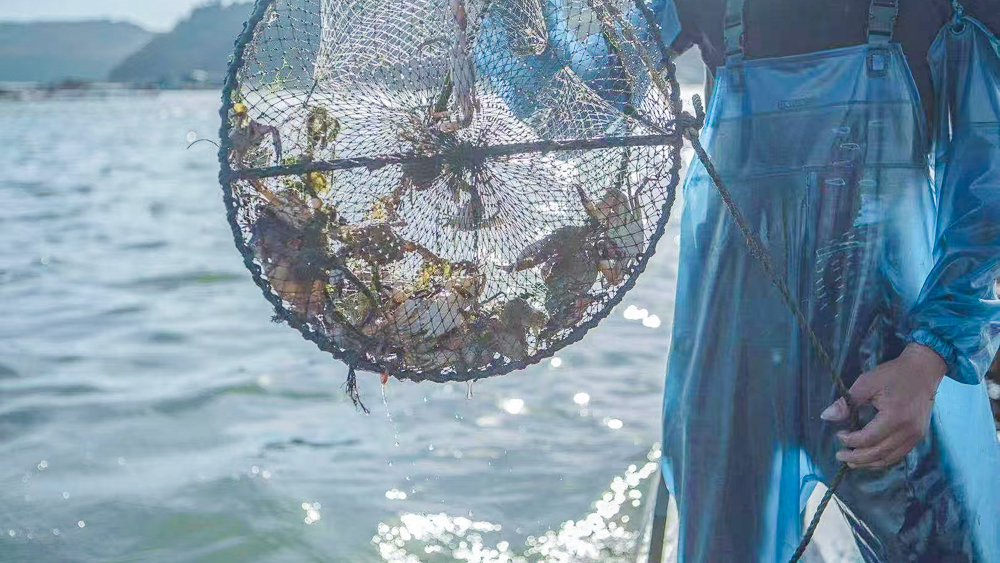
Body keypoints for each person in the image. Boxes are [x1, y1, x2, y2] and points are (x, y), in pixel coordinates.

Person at [656, 0, 1000, 561]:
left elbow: (987, 187)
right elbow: (593, 73)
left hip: (892, 370)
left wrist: (928, 359)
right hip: (734, 372)